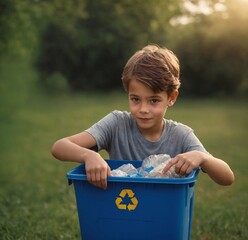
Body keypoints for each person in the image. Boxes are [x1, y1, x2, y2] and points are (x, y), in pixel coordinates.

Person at [51, 44, 234, 190]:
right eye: (135, 99)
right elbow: (60, 147)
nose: (143, 109)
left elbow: (227, 178)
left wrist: (203, 158)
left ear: (171, 98)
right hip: (121, 211)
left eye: (154, 100)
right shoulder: (116, 123)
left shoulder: (181, 135)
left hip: (162, 215)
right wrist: (88, 155)